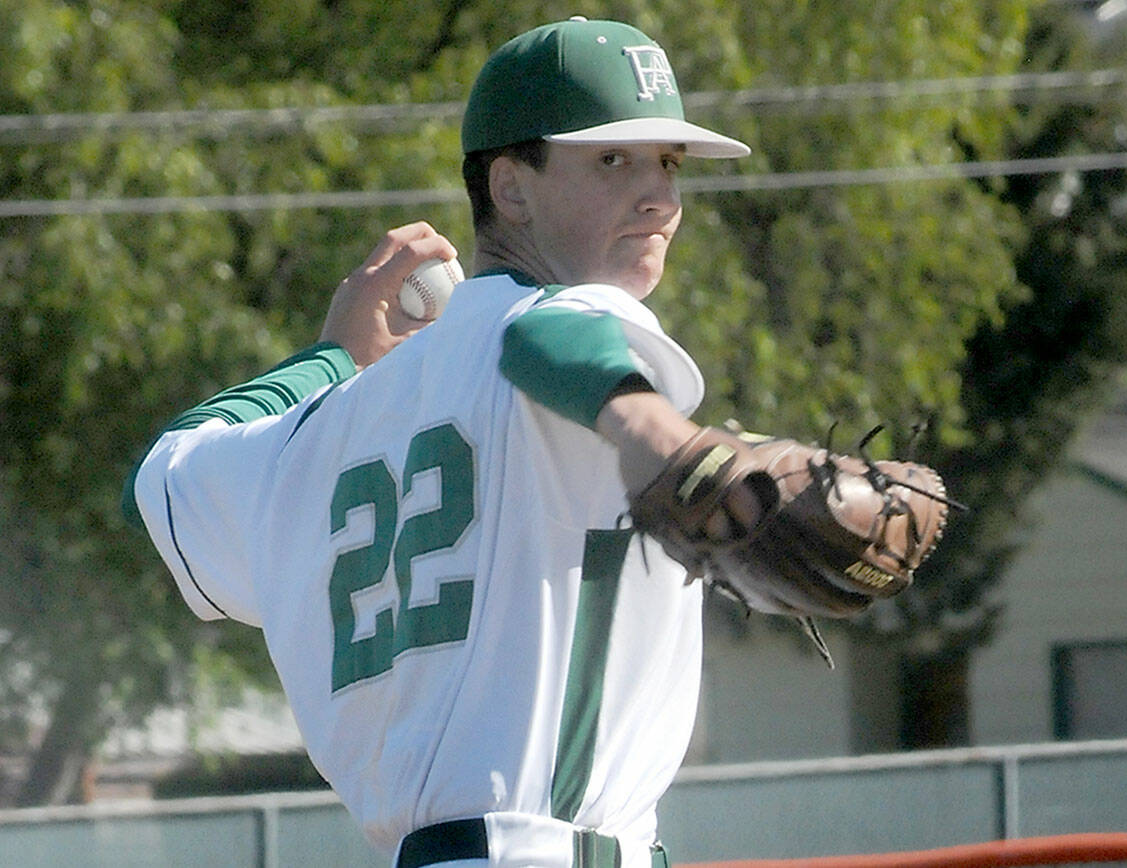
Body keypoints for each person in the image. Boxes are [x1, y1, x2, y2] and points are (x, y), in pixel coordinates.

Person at [123, 17, 753, 868]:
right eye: (612, 160)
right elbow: (549, 344)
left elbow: (170, 472)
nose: (659, 198)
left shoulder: (329, 424)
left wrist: (331, 360)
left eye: (668, 164)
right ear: (511, 187)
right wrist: (652, 427)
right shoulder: (583, 326)